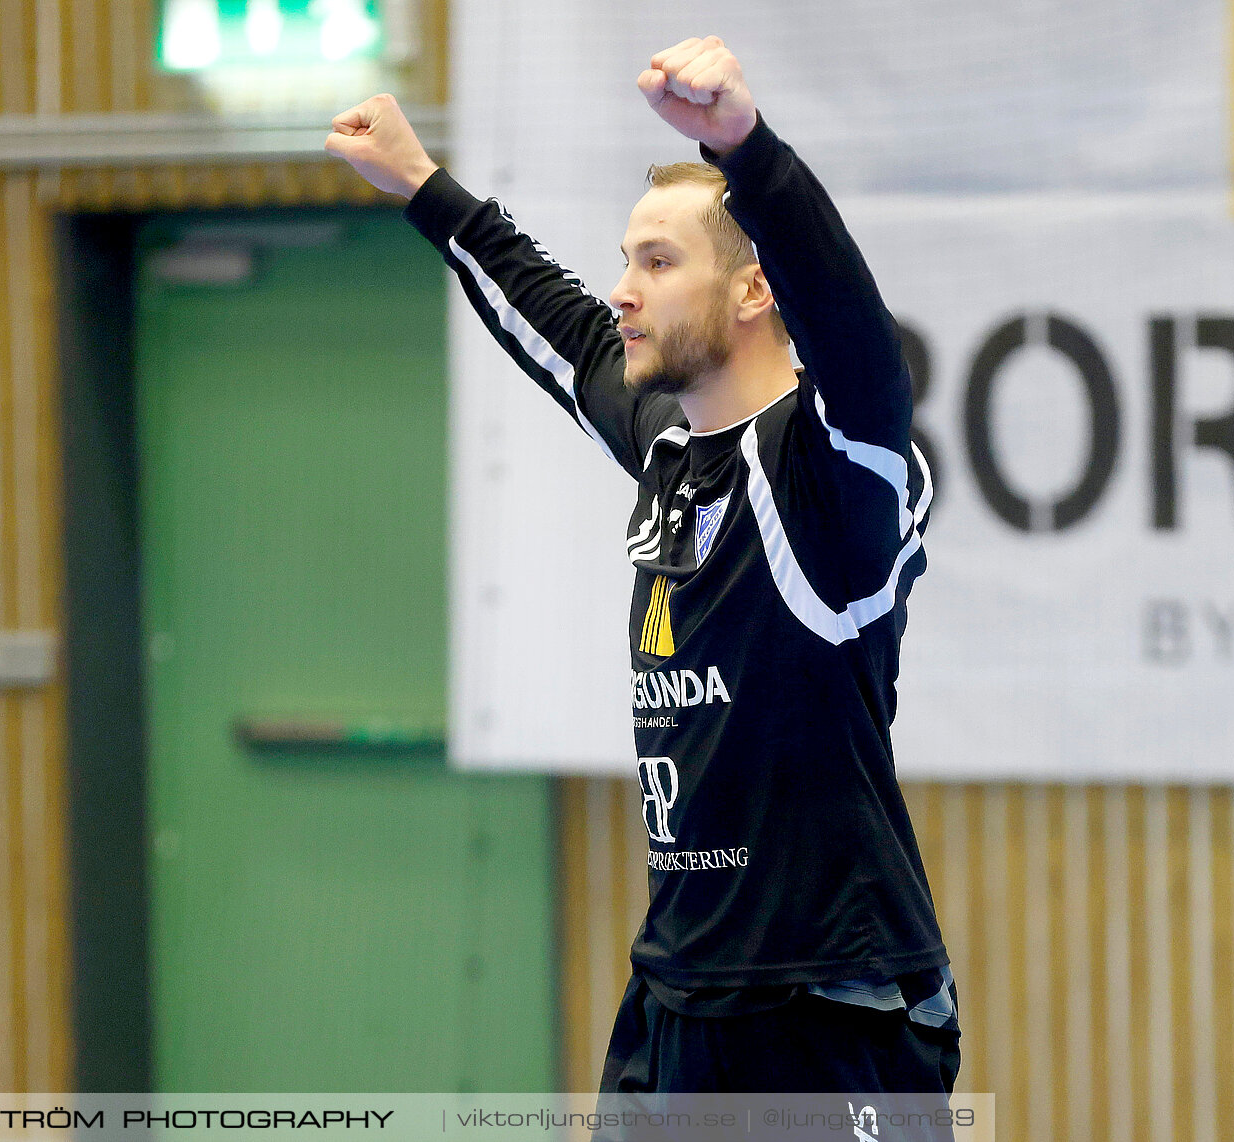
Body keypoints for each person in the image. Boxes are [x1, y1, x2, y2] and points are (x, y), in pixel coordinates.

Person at [325, 38, 959, 1094]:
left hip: (826, 1004)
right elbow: (560, 325)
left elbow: (857, 340)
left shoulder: (828, 479)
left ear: (756, 288)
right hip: (676, 995)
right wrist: (424, 187)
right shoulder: (671, 446)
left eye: (658, 262)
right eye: (627, 258)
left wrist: (745, 149)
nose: (624, 288)